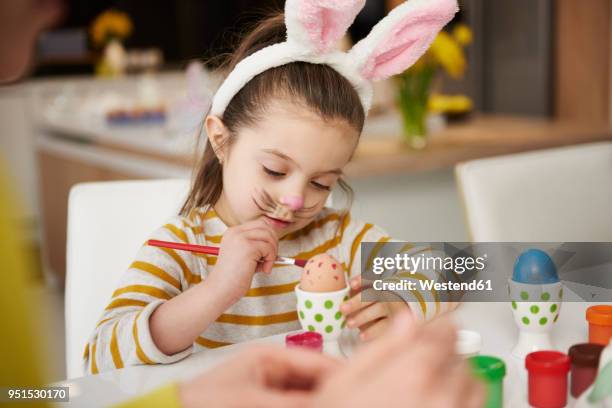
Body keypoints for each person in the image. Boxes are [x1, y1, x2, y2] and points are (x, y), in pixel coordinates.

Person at [0, 1, 483, 407]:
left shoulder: (334, 235)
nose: (295, 200)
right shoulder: (183, 247)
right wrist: (216, 290)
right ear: (221, 140)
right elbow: (98, 363)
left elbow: (463, 271)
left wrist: (402, 299)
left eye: (321, 182)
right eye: (274, 170)